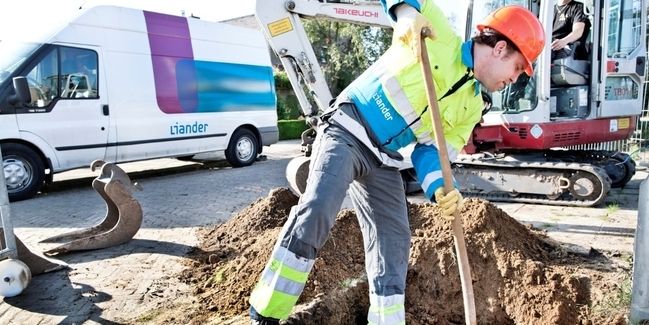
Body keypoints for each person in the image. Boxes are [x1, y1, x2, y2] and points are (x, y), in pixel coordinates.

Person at [248, 2, 545, 324]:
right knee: (320, 205)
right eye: (518, 68)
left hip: (383, 159)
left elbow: (431, 152)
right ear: (500, 49)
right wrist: (406, 14)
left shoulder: (472, 106)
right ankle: (266, 310)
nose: (514, 79)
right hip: (348, 130)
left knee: (394, 239)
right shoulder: (437, 34)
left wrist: (442, 188)